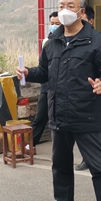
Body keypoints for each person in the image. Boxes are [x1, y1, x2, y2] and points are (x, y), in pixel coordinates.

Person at [17, 0, 101, 201]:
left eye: (70, 5)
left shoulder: (96, 41)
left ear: (81, 11)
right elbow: (45, 71)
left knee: (99, 167)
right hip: (59, 114)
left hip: (86, 115)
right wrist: (29, 73)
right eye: (61, 5)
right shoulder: (53, 41)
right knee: (60, 164)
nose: (64, 10)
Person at [74, 5, 101, 174]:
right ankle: (87, 159)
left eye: (83, 20)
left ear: (91, 21)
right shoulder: (73, 40)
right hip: (79, 96)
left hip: (95, 93)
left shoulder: (99, 40)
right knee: (83, 130)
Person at [32, 11, 60, 146]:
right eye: (52, 23)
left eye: (57, 23)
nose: (54, 26)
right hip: (46, 84)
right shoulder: (46, 42)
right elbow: (42, 65)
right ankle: (30, 144)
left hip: (59, 86)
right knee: (40, 116)